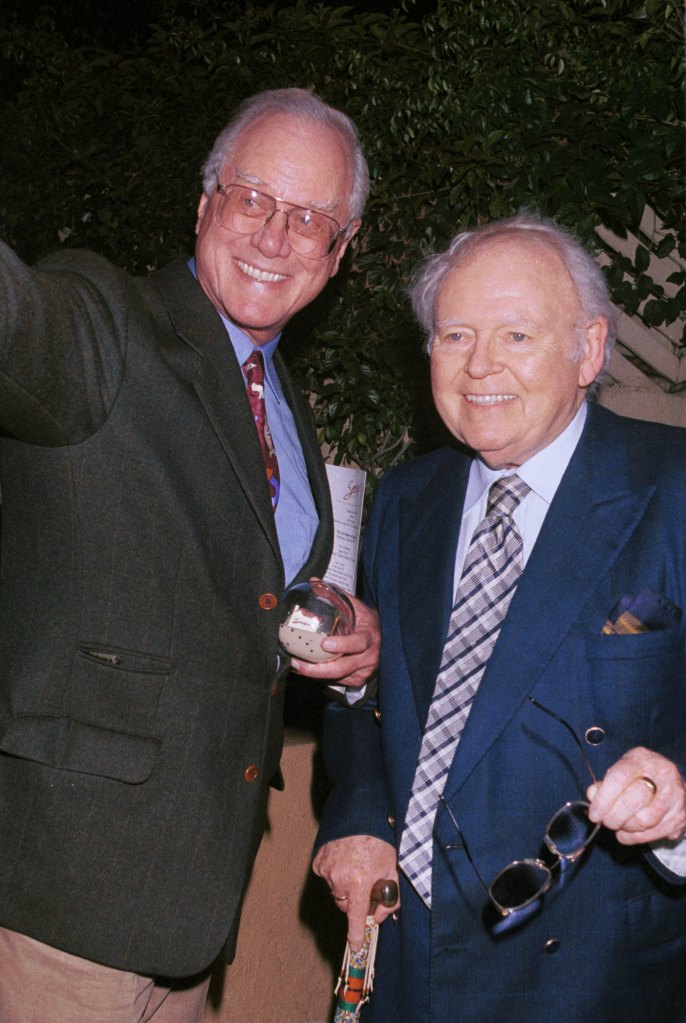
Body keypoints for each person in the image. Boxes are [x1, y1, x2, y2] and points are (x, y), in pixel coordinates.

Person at [0, 88, 380, 1022]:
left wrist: (345, 645)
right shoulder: (105, 322)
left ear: (340, 252)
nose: (274, 235)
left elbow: (242, 597)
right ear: (205, 203)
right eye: (253, 197)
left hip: (196, 913)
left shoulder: (283, 397)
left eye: (310, 219)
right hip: (62, 910)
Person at [314, 213, 686, 1023]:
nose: (479, 365)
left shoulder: (675, 488)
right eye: (455, 335)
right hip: (408, 965)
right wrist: (356, 817)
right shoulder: (410, 499)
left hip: (591, 981)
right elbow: (367, 697)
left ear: (588, 350)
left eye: (516, 334)